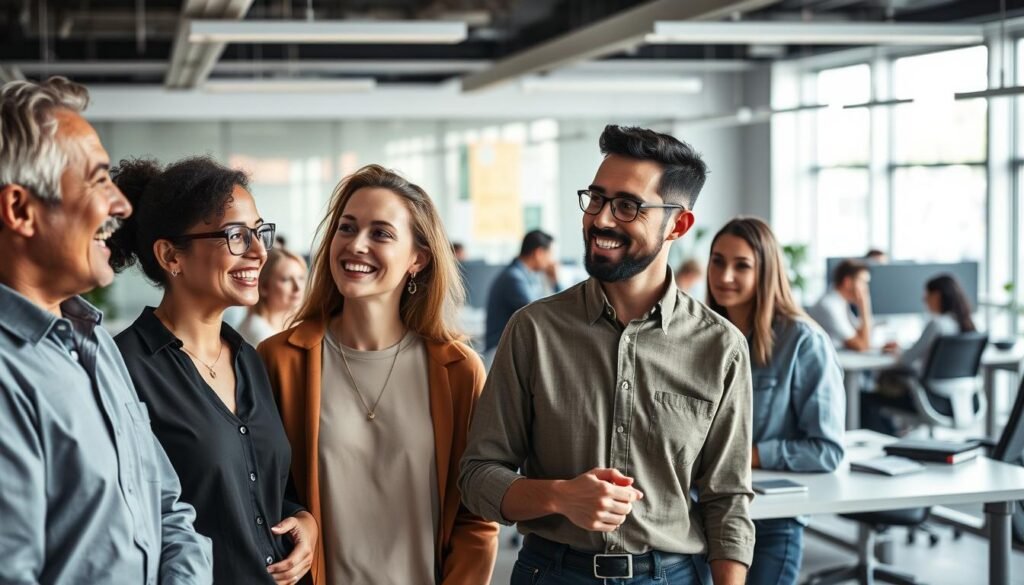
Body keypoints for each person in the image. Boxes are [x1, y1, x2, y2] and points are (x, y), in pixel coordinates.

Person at [460, 125, 754, 585]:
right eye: (595, 199)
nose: (600, 219)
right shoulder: (534, 330)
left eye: (627, 206)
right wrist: (559, 496)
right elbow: (477, 479)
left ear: (677, 224)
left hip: (671, 575)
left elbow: (727, 499)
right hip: (552, 573)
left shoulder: (721, 347)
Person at [0, 77, 213, 583]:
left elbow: (168, 507)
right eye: (98, 180)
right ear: (19, 210)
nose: (121, 204)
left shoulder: (89, 337)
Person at [257, 164, 498, 584]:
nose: (356, 245)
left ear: (418, 259)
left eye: (381, 233)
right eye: (346, 228)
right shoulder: (279, 359)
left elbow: (473, 518)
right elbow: (262, 492)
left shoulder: (458, 370)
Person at [108, 157, 317, 585]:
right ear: (171, 256)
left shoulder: (250, 359)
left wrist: (304, 521)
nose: (260, 251)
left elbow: (269, 489)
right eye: (236, 236)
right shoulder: (123, 368)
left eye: (259, 233)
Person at [707, 217, 845, 585]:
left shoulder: (803, 341)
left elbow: (826, 450)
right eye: (717, 261)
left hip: (768, 521)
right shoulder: (700, 334)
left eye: (742, 266)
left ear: (766, 272)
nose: (725, 276)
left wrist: (745, 454)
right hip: (699, 516)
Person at [862, 273, 977, 434]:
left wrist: (898, 352)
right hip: (962, 400)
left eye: (927, 294)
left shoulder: (937, 325)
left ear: (937, 296)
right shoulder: (968, 326)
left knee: (865, 397)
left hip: (929, 398)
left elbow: (906, 360)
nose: (924, 299)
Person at [483, 229, 560, 359]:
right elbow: (542, 315)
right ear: (539, 253)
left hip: (509, 349)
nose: (551, 261)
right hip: (499, 352)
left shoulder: (527, 276)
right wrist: (557, 282)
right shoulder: (514, 278)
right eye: (550, 254)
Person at [238, 247, 308, 346]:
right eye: (286, 279)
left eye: (301, 278)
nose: (298, 287)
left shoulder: (297, 326)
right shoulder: (258, 333)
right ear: (264, 287)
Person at [809, 259, 874, 350]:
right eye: (863, 282)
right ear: (847, 282)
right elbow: (863, 345)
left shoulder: (841, 302)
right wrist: (865, 306)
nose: (865, 288)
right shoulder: (829, 306)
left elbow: (860, 333)